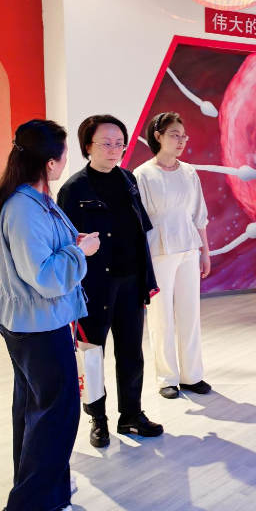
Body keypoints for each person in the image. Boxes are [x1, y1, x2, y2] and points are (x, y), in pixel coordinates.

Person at [0, 119, 101, 511]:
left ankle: (42, 485)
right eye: (65, 155)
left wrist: (70, 244)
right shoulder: (24, 207)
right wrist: (81, 252)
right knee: (56, 410)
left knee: (36, 407)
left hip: (32, 321)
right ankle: (33, 506)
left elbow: (37, 256)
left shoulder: (26, 200)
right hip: (38, 325)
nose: (67, 161)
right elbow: (45, 277)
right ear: (50, 162)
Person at [57, 115, 163, 448]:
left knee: (131, 351)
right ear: (88, 146)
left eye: (119, 143)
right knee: (91, 354)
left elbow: (140, 231)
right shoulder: (73, 189)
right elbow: (65, 245)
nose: (114, 149)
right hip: (93, 286)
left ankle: (131, 415)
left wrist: (145, 277)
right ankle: (97, 418)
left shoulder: (129, 180)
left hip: (131, 280)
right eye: (106, 143)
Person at [134, 112, 212, 399]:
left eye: (183, 135)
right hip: (158, 251)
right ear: (158, 137)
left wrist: (205, 252)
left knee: (190, 312)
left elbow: (199, 215)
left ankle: (192, 375)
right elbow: (139, 221)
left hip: (189, 248)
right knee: (161, 316)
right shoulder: (143, 174)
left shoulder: (189, 172)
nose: (181, 140)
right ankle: (167, 378)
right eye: (174, 135)